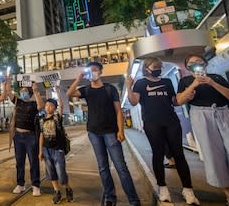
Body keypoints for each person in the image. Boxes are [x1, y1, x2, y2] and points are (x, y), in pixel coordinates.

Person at [126, 57, 199, 205]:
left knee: (179, 154)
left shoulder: (166, 82)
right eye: (155, 66)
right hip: (152, 123)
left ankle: (188, 190)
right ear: (146, 68)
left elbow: (175, 101)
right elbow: (134, 102)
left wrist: (186, 97)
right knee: (158, 154)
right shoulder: (140, 83)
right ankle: (162, 188)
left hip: (171, 121)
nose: (158, 69)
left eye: (159, 66)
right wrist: (129, 86)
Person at [68, 62, 140, 206]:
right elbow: (69, 93)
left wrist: (121, 130)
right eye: (90, 71)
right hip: (94, 133)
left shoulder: (110, 89)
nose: (93, 73)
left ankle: (133, 200)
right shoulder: (86, 90)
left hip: (111, 132)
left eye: (95, 70)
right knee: (102, 167)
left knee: (121, 167)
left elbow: (119, 111)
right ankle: (110, 196)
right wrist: (79, 78)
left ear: (101, 72)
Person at [176, 54, 229, 206]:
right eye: (191, 62)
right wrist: (194, 85)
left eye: (198, 61)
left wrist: (211, 83)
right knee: (214, 156)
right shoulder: (185, 81)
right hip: (201, 115)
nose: (195, 64)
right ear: (187, 67)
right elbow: (179, 100)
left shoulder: (217, 77)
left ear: (205, 63)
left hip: (224, 113)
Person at [7, 82, 43, 197]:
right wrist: (7, 80)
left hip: (31, 136)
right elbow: (8, 92)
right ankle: (20, 184)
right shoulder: (18, 101)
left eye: (25, 91)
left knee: (33, 161)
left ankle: (36, 185)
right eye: (22, 91)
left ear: (29, 93)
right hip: (18, 136)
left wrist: (36, 91)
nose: (23, 93)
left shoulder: (33, 104)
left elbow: (41, 106)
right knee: (19, 161)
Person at [38, 90, 74, 204]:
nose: (48, 107)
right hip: (46, 150)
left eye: (51, 105)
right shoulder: (41, 120)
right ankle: (57, 192)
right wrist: (40, 152)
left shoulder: (57, 118)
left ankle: (68, 188)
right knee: (51, 173)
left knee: (61, 174)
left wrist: (58, 91)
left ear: (54, 108)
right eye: (47, 105)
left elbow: (62, 105)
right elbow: (41, 136)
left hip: (58, 150)